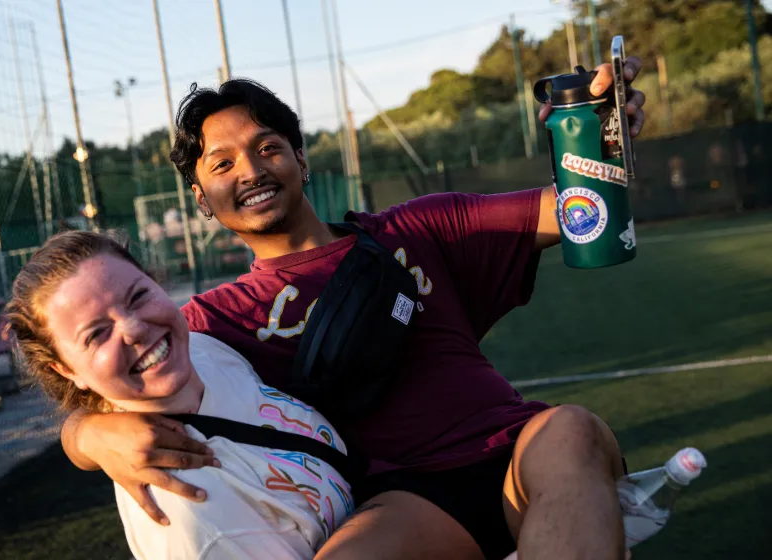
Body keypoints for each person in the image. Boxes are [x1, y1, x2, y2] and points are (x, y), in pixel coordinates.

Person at [61, 61, 647, 559]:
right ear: (200, 197)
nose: (252, 170)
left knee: (572, 428)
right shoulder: (215, 323)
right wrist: (88, 435)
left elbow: (581, 209)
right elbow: (107, 389)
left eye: (268, 148)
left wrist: (601, 142)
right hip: (405, 502)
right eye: (222, 164)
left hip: (522, 449)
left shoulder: (421, 226)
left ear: (300, 158)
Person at [4, 232, 355, 559]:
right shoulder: (190, 512)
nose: (135, 329)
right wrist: (396, 511)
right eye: (96, 334)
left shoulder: (201, 349)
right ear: (66, 370)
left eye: (138, 296)